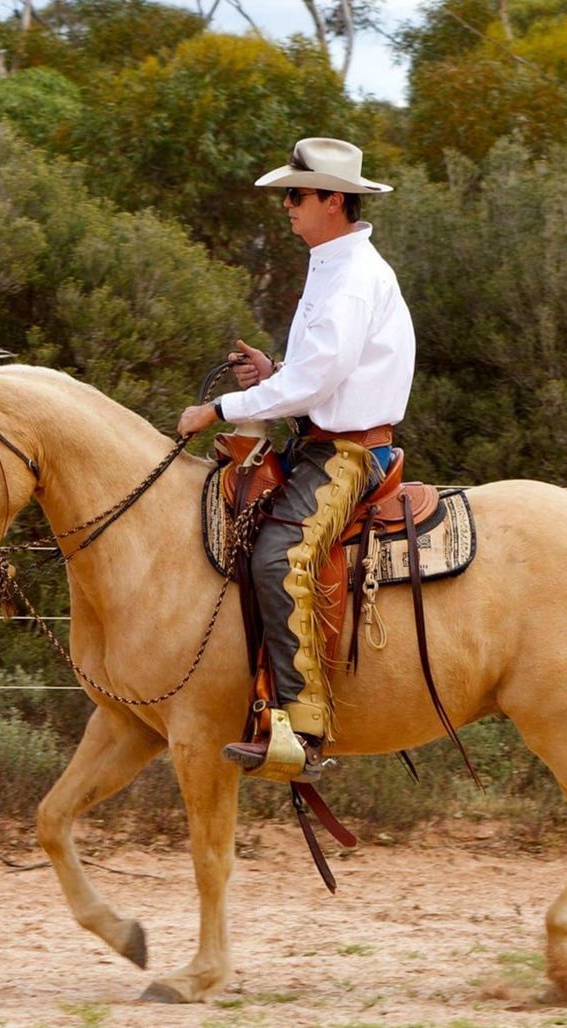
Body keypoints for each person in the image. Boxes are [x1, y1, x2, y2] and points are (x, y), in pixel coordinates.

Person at [176, 137, 415, 781]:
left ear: (332, 200)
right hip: (322, 439)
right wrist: (276, 372)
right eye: (288, 194)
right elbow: (321, 375)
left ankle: (302, 730)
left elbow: (317, 386)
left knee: (280, 554)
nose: (287, 205)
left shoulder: (354, 277)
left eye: (297, 194)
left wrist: (219, 409)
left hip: (346, 455)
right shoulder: (334, 265)